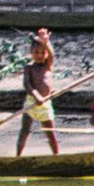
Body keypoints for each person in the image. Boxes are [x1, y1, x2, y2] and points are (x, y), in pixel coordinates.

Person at [17, 27, 60, 156]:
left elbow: (52, 54)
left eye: (43, 52)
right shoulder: (29, 68)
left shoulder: (48, 65)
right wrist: (36, 96)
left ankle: (57, 157)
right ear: (31, 52)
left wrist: (46, 42)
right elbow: (27, 84)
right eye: (36, 52)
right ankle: (17, 157)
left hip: (45, 104)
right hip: (31, 103)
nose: (40, 55)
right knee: (25, 130)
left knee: (50, 132)